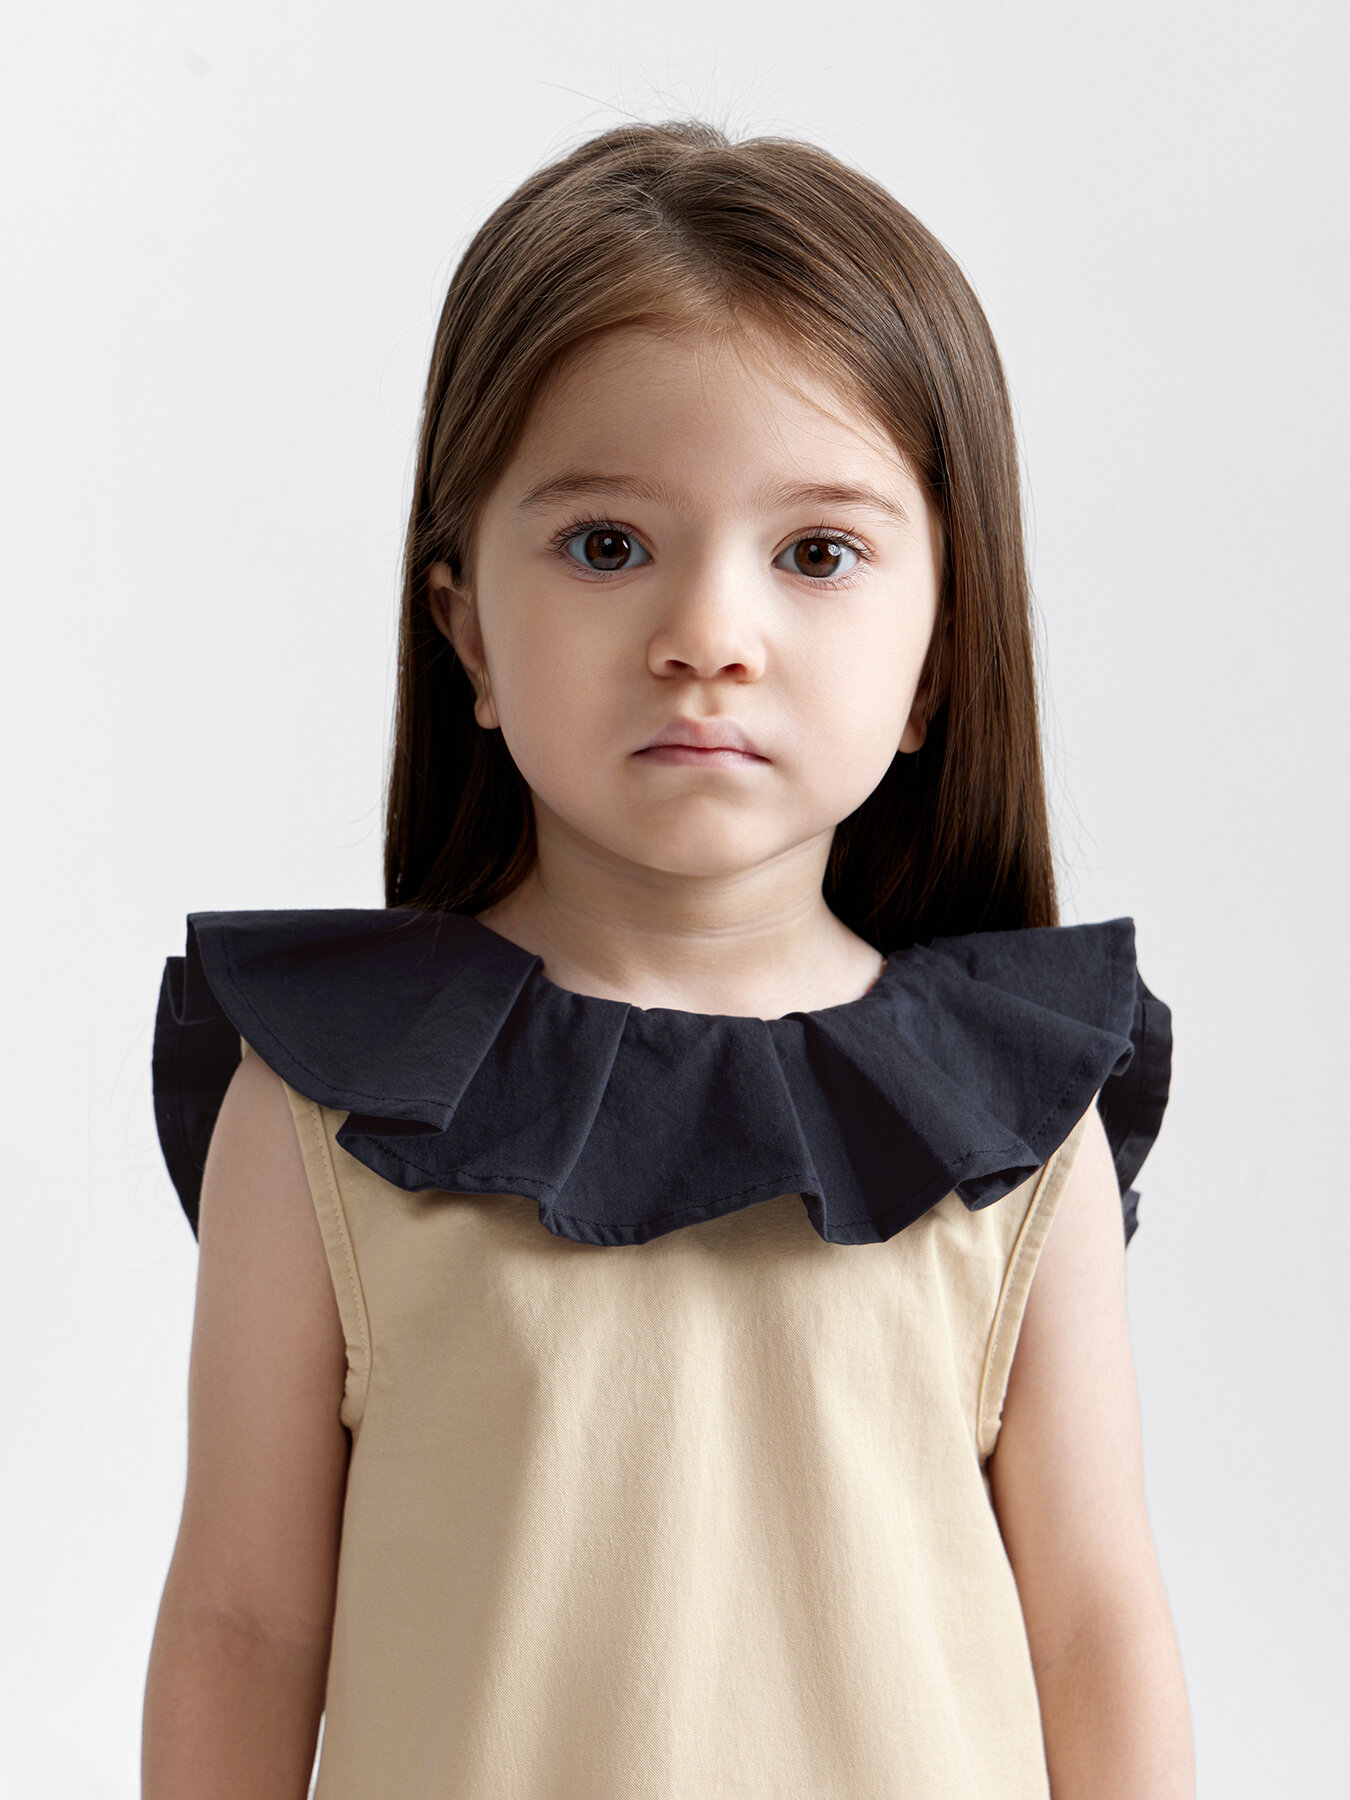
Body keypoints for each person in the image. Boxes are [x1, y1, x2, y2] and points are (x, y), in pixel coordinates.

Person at [140, 118, 1194, 1799]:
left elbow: (1091, 1630)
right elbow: (245, 1623)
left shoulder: (1012, 1127)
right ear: (467, 634)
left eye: (816, 554)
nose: (708, 635)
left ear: (936, 657)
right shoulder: (325, 1110)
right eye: (607, 545)